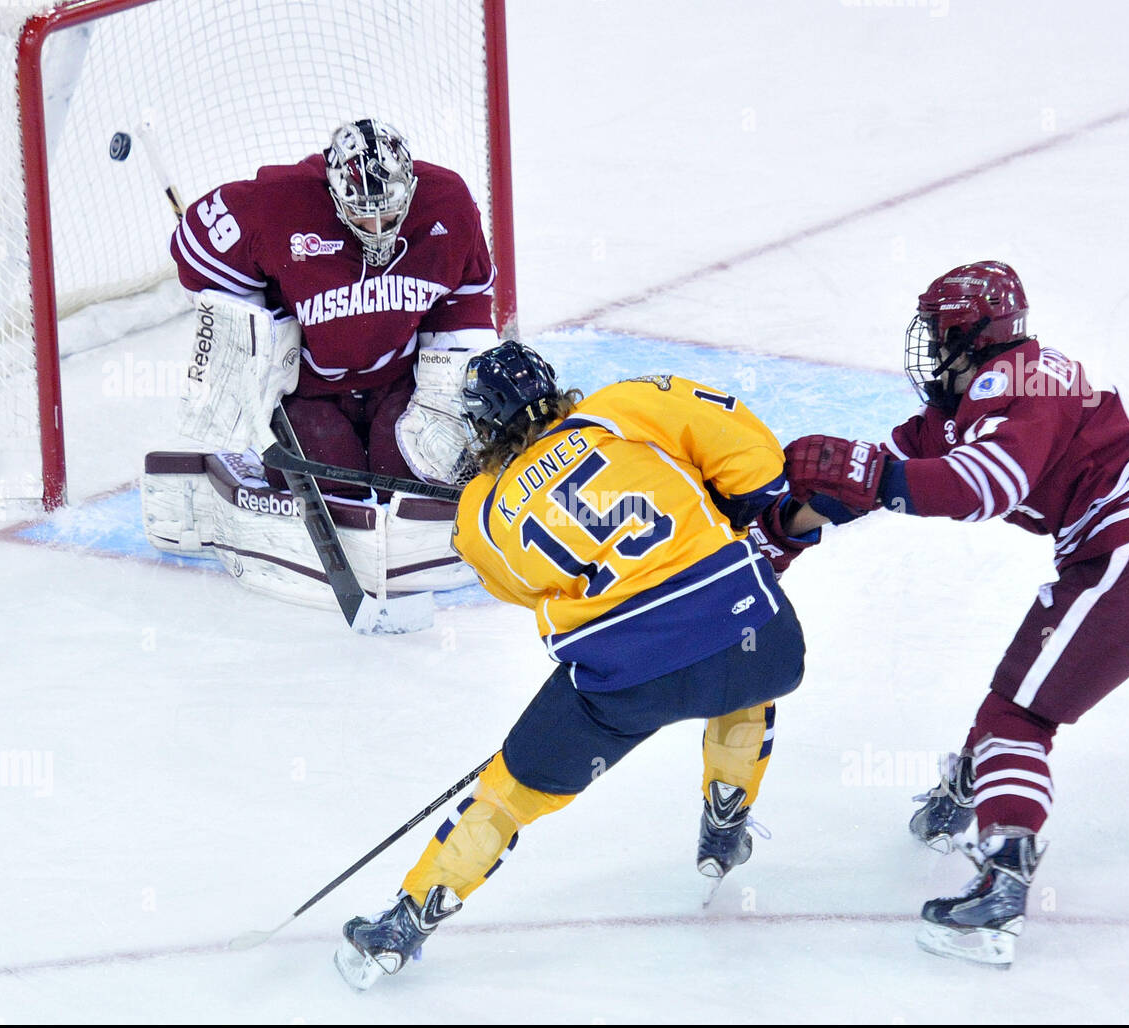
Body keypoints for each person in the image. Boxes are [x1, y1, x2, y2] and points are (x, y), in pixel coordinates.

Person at [780, 261, 1129, 966]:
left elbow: (981, 487)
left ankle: (1001, 887)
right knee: (1021, 699)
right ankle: (969, 786)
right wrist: (781, 524)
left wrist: (872, 477)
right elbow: (876, 476)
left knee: (1020, 720)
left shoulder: (1014, 379)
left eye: (938, 336)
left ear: (970, 336)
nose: (931, 352)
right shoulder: (983, 397)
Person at [334, 342, 811, 989]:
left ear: (480, 424)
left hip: (624, 673)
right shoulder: (621, 407)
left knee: (508, 794)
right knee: (738, 667)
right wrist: (729, 509)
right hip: (760, 633)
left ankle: (406, 922)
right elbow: (755, 459)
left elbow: (522, 588)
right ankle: (727, 816)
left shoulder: (481, 511)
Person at [142, 119, 497, 620]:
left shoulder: (448, 204)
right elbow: (191, 253)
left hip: (397, 381)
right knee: (337, 484)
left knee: (416, 474)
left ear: (411, 187)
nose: (376, 228)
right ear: (333, 195)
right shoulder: (277, 204)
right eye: (360, 213)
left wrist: (454, 395)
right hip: (309, 393)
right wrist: (255, 321)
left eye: (389, 211)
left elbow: (465, 301)